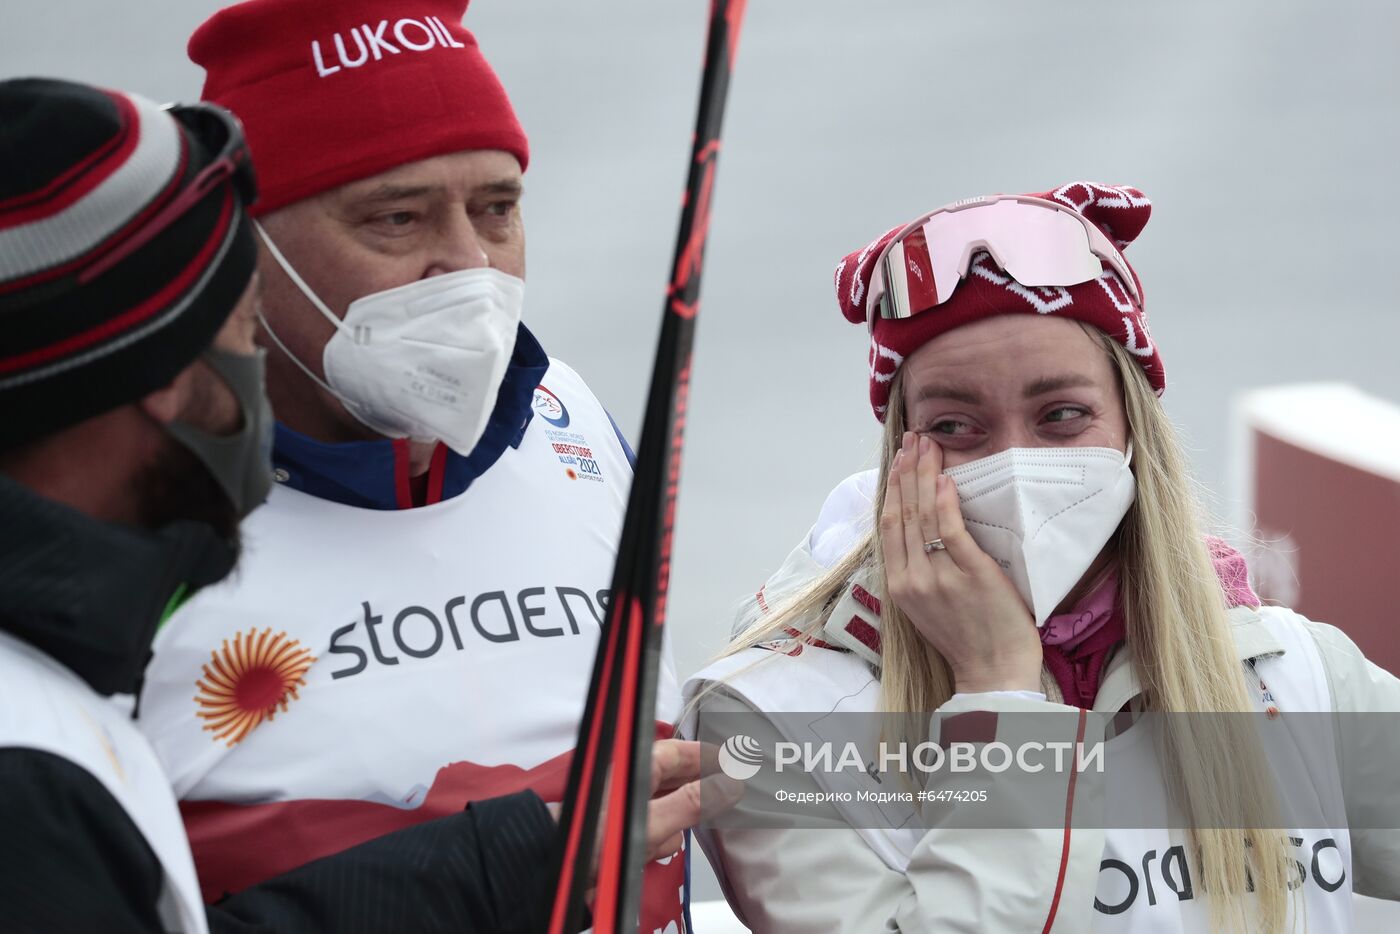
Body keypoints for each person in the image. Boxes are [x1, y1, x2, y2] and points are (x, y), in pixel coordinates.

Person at [0, 76, 721, 934]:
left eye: (497, 208)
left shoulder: (577, 425)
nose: (469, 268)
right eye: (397, 218)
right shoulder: (46, 718)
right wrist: (506, 864)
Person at [683, 182, 1400, 932]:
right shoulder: (770, 722)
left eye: (1062, 415)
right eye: (957, 425)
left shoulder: (1289, 669)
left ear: (1133, 430)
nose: (1017, 463)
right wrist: (998, 689)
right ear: (902, 448)